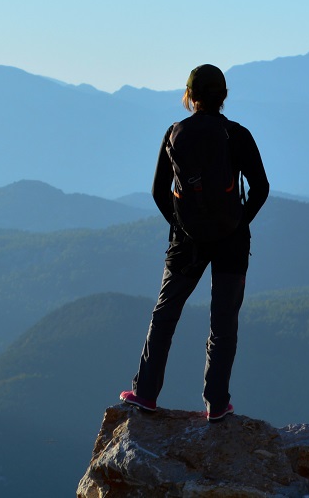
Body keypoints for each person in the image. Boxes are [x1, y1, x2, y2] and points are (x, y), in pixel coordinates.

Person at [119, 63, 269, 422]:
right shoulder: (237, 135)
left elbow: (158, 192)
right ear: (224, 97)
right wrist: (238, 222)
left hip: (186, 244)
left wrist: (182, 225)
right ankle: (216, 404)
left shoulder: (175, 133)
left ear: (190, 96)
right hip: (232, 242)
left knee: (165, 315)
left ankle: (145, 393)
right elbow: (261, 188)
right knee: (223, 323)